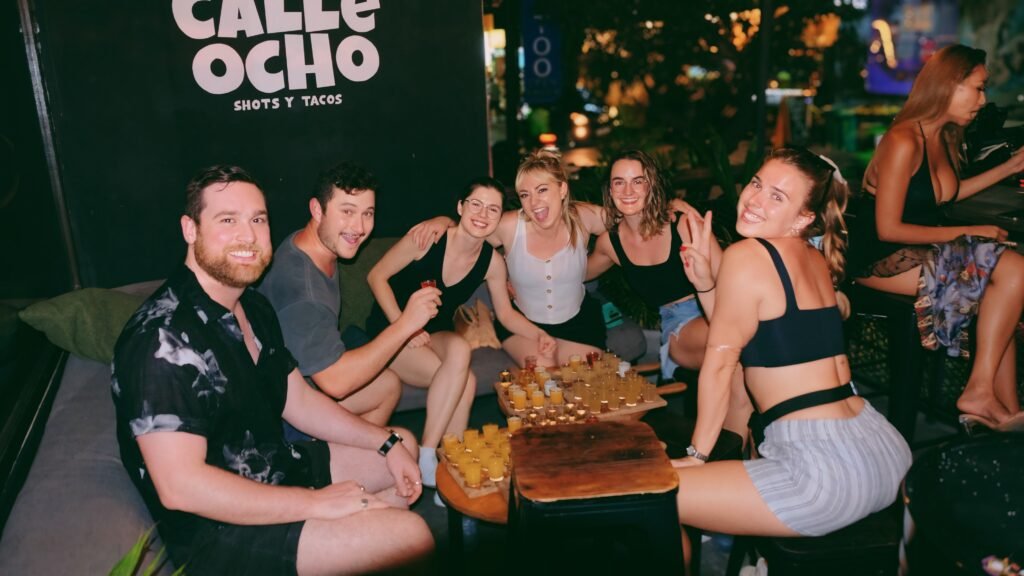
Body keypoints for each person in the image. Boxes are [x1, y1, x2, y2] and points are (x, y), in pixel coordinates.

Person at [111, 165, 433, 575]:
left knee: (400, 446)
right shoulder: (161, 339)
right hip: (219, 530)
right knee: (412, 536)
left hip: (272, 465)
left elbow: (299, 400)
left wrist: (384, 442)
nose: (248, 236)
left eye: (258, 220)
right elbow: (181, 488)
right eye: (228, 220)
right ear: (190, 229)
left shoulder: (252, 305)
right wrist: (315, 504)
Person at [672, 148, 911, 552]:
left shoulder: (747, 254)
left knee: (653, 494)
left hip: (822, 472)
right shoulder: (814, 257)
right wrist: (705, 284)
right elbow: (752, 340)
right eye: (756, 184)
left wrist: (697, 455)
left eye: (777, 196)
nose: (755, 200)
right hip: (882, 449)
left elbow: (720, 364)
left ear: (802, 218)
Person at [846, 44, 1024, 431]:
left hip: (919, 248)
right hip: (879, 258)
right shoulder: (902, 140)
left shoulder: (942, 136)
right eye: (978, 88)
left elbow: (947, 194)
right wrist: (968, 231)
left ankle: (1005, 413)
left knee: (1004, 295)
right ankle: (979, 392)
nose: (983, 100)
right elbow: (888, 229)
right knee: (1013, 271)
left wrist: (1011, 166)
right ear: (949, 85)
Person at [366, 177, 557, 481]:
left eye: (492, 209)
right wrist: (405, 327)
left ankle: (436, 461)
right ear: (460, 207)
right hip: (392, 332)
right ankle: (441, 463)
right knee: (465, 381)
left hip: (435, 334)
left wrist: (539, 334)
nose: (482, 214)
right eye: (475, 204)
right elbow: (376, 276)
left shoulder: (492, 262)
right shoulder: (428, 238)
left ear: (499, 218)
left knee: (458, 348)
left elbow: (505, 314)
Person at [412, 150, 610, 366]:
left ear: (562, 189)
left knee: (584, 379)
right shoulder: (509, 226)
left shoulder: (584, 217)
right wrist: (445, 221)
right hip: (522, 323)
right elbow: (468, 235)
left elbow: (626, 222)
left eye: (542, 190)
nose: (534, 202)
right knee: (542, 374)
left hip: (579, 320)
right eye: (525, 195)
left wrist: (603, 253)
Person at [259, 162, 412, 432]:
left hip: (299, 384)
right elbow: (336, 383)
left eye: (367, 213)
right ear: (317, 210)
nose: (359, 227)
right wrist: (405, 325)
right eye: (347, 211)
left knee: (388, 385)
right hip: (283, 414)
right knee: (402, 440)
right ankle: (327, 454)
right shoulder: (303, 293)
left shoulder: (310, 245)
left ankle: (351, 449)